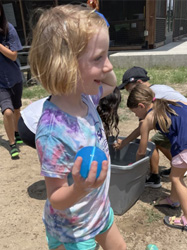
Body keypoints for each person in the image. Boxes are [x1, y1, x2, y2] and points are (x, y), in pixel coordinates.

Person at [28, 4, 126, 250]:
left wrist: (100, 60)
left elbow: (113, 85)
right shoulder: (53, 131)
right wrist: (81, 188)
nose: (109, 66)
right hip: (74, 230)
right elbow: (56, 198)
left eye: (107, 55)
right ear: (66, 65)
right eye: (98, 58)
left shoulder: (86, 97)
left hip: (99, 212)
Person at [126, 83, 187, 232]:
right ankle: (173, 200)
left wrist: (131, 166)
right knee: (176, 172)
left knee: (176, 178)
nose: (136, 116)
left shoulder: (148, 119)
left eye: (135, 113)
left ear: (141, 105)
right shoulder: (171, 102)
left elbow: (141, 150)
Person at [114, 66, 187, 188]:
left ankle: (156, 176)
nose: (130, 94)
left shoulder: (149, 96)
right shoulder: (159, 88)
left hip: (183, 126)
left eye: (130, 90)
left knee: (151, 143)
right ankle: (179, 168)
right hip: (183, 122)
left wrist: (124, 143)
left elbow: (142, 128)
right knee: (158, 141)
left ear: (139, 83)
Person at [0, 1, 23, 159]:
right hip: (0, 83)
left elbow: (13, 55)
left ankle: (17, 132)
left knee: (16, 109)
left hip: (14, 78)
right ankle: (12, 143)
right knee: (7, 112)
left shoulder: (9, 29)